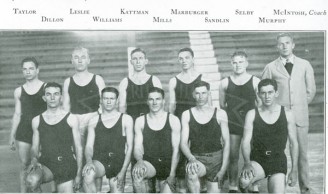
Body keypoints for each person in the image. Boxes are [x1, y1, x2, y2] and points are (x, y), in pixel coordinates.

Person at [262, 33, 316, 194]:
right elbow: (263, 89)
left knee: (302, 155)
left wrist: (297, 106)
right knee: (277, 153)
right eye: (281, 43)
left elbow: (310, 91)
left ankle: (305, 188)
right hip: (278, 117)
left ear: (293, 45)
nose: (284, 46)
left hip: (299, 117)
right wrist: (275, 111)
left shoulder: (305, 64)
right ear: (277, 47)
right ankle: (278, 188)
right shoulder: (270, 67)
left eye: (287, 43)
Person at [239, 79, 299, 193]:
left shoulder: (288, 114)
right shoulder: (252, 114)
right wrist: (247, 163)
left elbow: (293, 143)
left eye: (270, 92)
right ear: (258, 94)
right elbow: (246, 141)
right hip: (258, 160)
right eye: (263, 93)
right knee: (244, 181)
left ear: (276, 93)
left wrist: (294, 169)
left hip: (278, 161)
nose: (267, 96)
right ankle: (252, 186)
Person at [25, 82, 83, 193]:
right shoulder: (36, 120)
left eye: (56, 94)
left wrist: (79, 174)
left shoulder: (71, 118)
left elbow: (78, 148)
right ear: (44, 98)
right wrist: (33, 159)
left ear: (61, 97)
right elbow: (35, 147)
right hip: (47, 165)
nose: (52, 97)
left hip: (67, 165)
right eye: (48, 94)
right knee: (31, 180)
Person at [169, 47, 211, 192]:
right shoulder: (174, 81)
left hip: (199, 120)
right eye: (181, 58)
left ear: (193, 59)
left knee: (200, 149)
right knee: (182, 150)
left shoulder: (202, 77)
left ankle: (203, 182)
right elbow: (172, 106)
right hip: (182, 120)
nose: (184, 61)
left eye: (187, 57)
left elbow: (208, 103)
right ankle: (182, 186)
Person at [219, 51, 260, 193]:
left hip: (251, 123)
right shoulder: (225, 82)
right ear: (231, 64)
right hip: (233, 123)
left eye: (241, 62)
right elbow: (222, 105)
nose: (238, 65)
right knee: (233, 155)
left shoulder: (255, 81)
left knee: (254, 153)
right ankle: (233, 185)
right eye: (235, 62)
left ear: (246, 63)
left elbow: (260, 105)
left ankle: (253, 184)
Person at [180, 81, 230, 193]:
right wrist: (191, 158)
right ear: (193, 94)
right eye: (197, 93)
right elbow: (183, 143)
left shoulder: (220, 113)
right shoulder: (187, 114)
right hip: (197, 158)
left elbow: (227, 143)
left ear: (209, 94)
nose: (201, 97)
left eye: (203, 93)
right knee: (192, 174)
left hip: (216, 160)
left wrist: (223, 169)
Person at [82, 87, 133, 193]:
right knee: (88, 173)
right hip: (100, 161)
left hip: (117, 162)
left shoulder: (126, 119)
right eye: (105, 98)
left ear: (117, 100)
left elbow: (130, 147)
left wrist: (123, 171)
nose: (109, 101)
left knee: (116, 190)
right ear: (101, 100)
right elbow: (89, 146)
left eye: (112, 98)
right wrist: (89, 162)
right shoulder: (94, 120)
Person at [8, 57, 47, 192]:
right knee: (24, 164)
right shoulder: (18, 91)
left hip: (42, 130)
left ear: (37, 70)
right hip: (24, 131)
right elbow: (17, 114)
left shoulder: (46, 88)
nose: (28, 71)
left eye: (31, 68)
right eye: (25, 69)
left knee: (38, 164)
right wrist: (12, 135)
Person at [133, 87, 180, 193]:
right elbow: (137, 147)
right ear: (147, 101)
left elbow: (176, 150)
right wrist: (140, 162)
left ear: (163, 101)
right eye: (151, 99)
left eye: (158, 99)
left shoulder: (173, 120)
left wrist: (172, 174)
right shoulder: (140, 121)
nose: (154, 102)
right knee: (137, 173)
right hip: (150, 163)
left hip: (168, 165)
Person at [63, 46, 106, 145]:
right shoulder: (68, 82)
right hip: (76, 122)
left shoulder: (98, 79)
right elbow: (66, 108)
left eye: (83, 57)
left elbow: (104, 105)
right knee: (79, 154)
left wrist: (93, 118)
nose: (80, 61)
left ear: (88, 60)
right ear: (72, 61)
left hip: (95, 121)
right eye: (76, 58)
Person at [119, 48, 162, 120]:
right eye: (135, 59)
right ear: (131, 62)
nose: (138, 61)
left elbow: (160, 105)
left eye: (141, 58)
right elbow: (122, 107)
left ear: (146, 61)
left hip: (151, 122)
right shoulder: (125, 82)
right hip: (132, 122)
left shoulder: (155, 80)